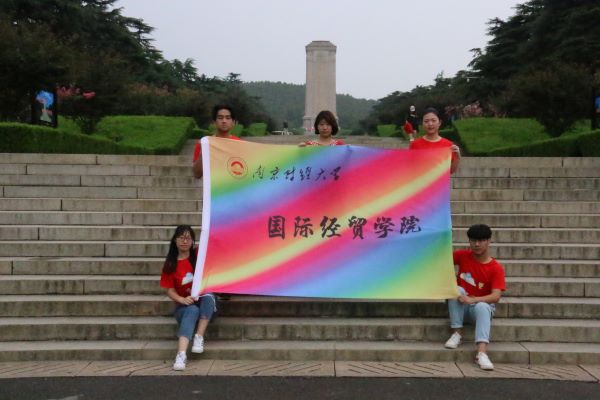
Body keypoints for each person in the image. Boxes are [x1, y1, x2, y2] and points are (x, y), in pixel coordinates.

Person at [444, 224, 506, 371]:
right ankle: (457, 333)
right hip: (461, 306)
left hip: (479, 311)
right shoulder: (462, 256)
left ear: (488, 241)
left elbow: (496, 296)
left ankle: (482, 353)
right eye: (473, 240)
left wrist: (473, 300)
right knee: (457, 289)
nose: (477, 244)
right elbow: (440, 261)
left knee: (483, 306)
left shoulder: (495, 268)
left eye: (481, 240)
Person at [160, 225, 217, 371]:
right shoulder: (170, 264)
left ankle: (199, 336)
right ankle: (181, 354)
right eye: (181, 238)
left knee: (209, 295)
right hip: (183, 307)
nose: (185, 241)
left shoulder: (198, 255)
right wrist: (181, 299)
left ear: (193, 241)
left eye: (188, 238)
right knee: (191, 310)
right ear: (175, 240)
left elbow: (214, 243)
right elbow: (169, 290)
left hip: (204, 305)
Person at [192, 104, 241, 179]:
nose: (224, 121)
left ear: (233, 122)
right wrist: (203, 154)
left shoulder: (239, 144)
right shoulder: (204, 143)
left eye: (228, 118)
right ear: (214, 122)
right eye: (220, 118)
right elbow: (197, 175)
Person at [408, 107, 461, 174]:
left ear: (439, 123)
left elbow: (450, 171)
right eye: (426, 121)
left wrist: (457, 158)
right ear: (422, 124)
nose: (430, 124)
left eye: (433, 120)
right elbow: (410, 168)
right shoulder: (415, 145)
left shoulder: (448, 145)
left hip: (440, 181)